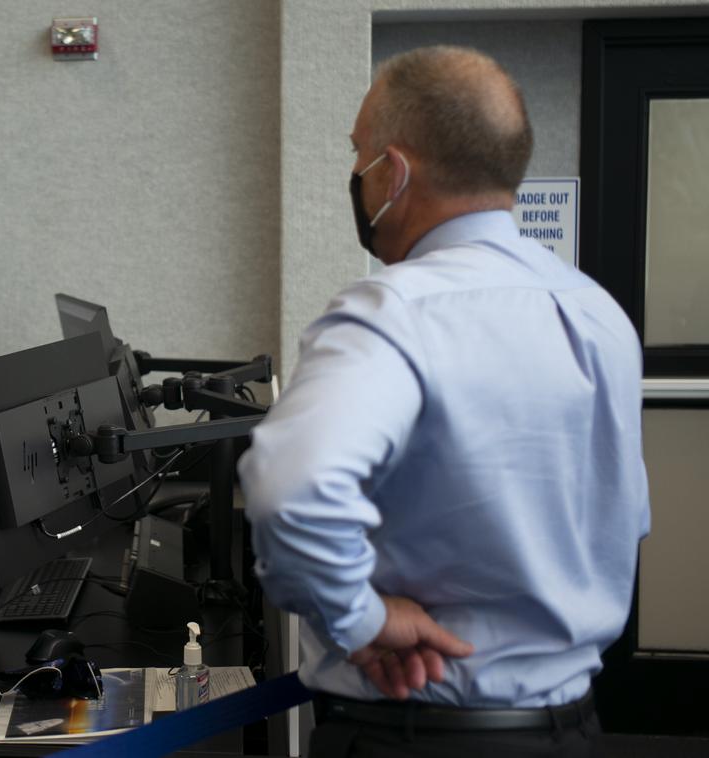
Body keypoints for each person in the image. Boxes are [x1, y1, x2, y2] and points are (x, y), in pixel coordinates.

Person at [239, 46, 649, 758]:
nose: (357, 179)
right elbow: (624, 516)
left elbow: (293, 492)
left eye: (358, 157)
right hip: (573, 730)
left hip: (409, 729)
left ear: (392, 173)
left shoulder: (394, 312)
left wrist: (361, 620)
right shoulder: (598, 313)